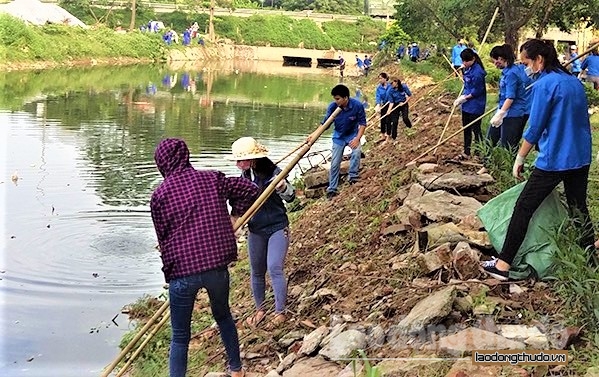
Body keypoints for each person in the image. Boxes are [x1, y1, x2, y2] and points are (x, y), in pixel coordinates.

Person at [482, 39, 594, 281]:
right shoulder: (573, 82)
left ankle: (503, 265)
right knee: (578, 206)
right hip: (581, 156)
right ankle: (591, 261)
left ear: (539, 60)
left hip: (555, 159)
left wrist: (520, 157)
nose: (525, 68)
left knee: (523, 207)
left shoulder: (544, 85)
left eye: (526, 63)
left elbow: (535, 128)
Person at [150, 138, 259, 377]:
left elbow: (163, 239)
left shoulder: (159, 195)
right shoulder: (212, 179)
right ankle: (236, 370)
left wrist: (169, 267)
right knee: (223, 316)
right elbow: (250, 190)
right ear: (186, 156)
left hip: (182, 273)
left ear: (162, 163)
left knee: (180, 336)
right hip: (216, 268)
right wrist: (234, 217)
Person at [227, 137, 295, 328]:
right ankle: (260, 310)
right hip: (256, 230)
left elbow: (291, 196)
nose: (238, 164)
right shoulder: (245, 178)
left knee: (274, 267)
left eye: (241, 160)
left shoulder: (275, 174)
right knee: (257, 272)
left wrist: (282, 187)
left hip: (277, 227)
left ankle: (280, 312)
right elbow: (240, 205)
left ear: (253, 158)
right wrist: (236, 225)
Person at [307, 84, 367, 199]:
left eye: (338, 99)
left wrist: (357, 139)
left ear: (346, 98)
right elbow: (325, 123)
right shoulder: (333, 107)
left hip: (352, 135)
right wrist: (314, 134)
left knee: (357, 151)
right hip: (338, 136)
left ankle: (353, 176)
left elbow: (363, 124)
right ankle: (332, 189)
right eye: (335, 99)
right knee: (334, 163)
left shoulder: (357, 106)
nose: (336, 101)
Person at [487, 44, 528, 153]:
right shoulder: (507, 72)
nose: (494, 63)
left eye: (495, 60)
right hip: (503, 110)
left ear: (500, 58)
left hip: (512, 114)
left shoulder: (512, 73)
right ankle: (486, 166)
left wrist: (501, 113)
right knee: (490, 140)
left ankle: (510, 168)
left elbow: (510, 97)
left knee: (508, 145)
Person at [453, 48, 487, 160]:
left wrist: (465, 98)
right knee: (466, 128)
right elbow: (467, 84)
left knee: (476, 130)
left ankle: (478, 153)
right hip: (467, 105)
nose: (464, 63)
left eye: (466, 61)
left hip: (476, 105)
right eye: (463, 61)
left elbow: (477, 91)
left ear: (472, 59)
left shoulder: (478, 72)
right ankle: (466, 151)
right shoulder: (468, 68)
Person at [385, 77, 412, 142]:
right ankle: (394, 137)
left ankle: (410, 127)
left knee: (405, 118)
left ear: (396, 82)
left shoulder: (403, 87)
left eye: (392, 83)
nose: (391, 85)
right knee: (394, 121)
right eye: (390, 84)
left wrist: (404, 103)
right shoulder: (390, 91)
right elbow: (391, 102)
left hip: (403, 103)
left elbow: (410, 96)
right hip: (395, 105)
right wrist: (388, 110)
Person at [375, 72, 391, 142]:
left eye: (381, 78)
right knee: (383, 120)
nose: (380, 80)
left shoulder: (390, 86)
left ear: (385, 79)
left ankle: (388, 135)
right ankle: (382, 135)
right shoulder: (379, 88)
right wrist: (378, 104)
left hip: (391, 104)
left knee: (388, 120)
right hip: (384, 104)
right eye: (379, 79)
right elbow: (378, 96)